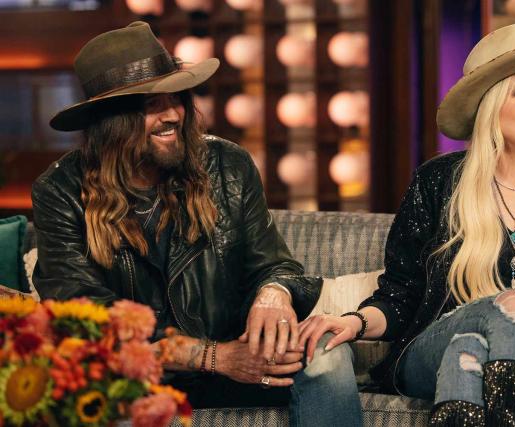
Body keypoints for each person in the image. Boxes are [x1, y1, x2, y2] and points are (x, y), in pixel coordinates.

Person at [298, 23, 515, 425]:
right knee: (510, 307)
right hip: (434, 344)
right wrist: (353, 321)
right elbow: (401, 295)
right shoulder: (437, 182)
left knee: (466, 356)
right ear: (491, 106)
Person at [32, 21, 361, 426]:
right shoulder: (60, 191)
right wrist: (212, 357)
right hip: (139, 373)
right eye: (152, 104)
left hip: (241, 354)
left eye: (177, 98)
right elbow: (83, 316)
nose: (173, 113)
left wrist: (273, 293)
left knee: (327, 353)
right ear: (110, 120)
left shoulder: (227, 166)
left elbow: (274, 264)